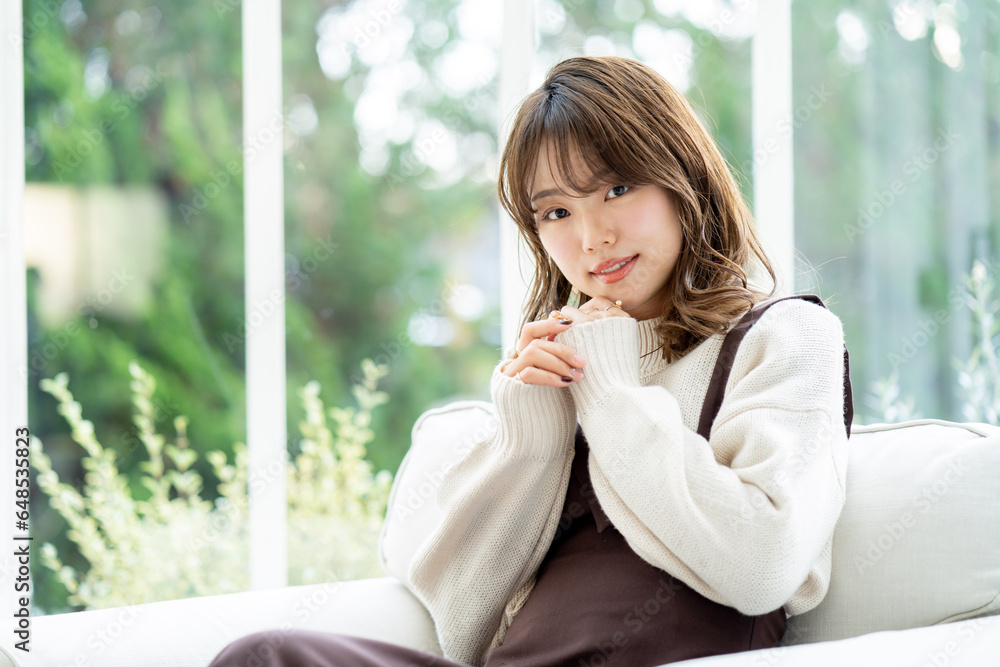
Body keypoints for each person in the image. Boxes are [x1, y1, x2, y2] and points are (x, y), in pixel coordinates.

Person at [207, 55, 850, 667]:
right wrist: (532, 436)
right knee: (263, 657)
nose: (592, 237)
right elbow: (463, 630)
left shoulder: (786, 335)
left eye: (617, 188)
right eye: (557, 212)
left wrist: (611, 393)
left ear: (685, 177)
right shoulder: (558, 368)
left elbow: (761, 564)